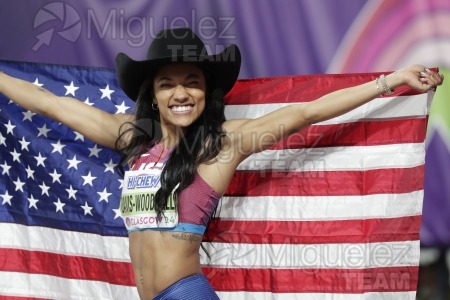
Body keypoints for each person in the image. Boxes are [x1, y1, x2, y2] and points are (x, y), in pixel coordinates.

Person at [0, 27, 444, 299]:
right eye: (167, 84)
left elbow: (309, 111)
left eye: (191, 83)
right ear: (152, 96)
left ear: (205, 92)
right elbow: (50, 103)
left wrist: (389, 81)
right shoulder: (130, 136)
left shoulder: (224, 145)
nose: (180, 94)